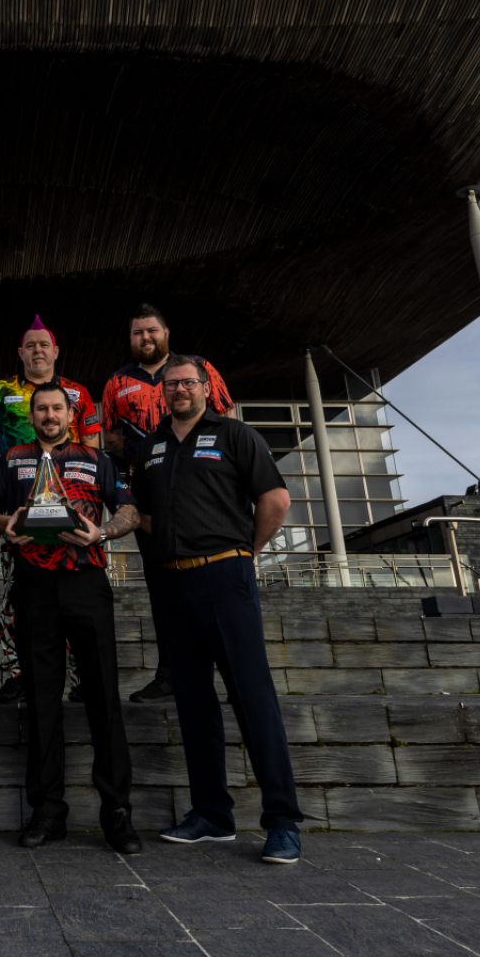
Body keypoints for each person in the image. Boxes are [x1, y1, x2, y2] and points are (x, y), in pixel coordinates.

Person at [127, 354, 304, 866]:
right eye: (171, 384)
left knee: (252, 698)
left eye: (188, 382)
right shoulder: (149, 448)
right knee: (193, 703)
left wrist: (246, 550)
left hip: (226, 576)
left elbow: (276, 499)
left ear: (206, 387)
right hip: (171, 584)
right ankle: (212, 814)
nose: (179, 390)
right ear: (161, 392)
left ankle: (282, 822)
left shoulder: (235, 435)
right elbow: (141, 513)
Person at [0, 383, 142, 854]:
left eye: (57, 408)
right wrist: (5, 525)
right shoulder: (11, 461)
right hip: (33, 586)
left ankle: (117, 812)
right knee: (41, 700)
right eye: (41, 409)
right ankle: (48, 812)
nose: (49, 415)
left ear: (71, 413)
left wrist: (103, 531)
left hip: (86, 582)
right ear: (31, 415)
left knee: (102, 696)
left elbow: (128, 509)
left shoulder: (96, 459)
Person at [98, 304, 235, 703]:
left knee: (213, 586)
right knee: (164, 589)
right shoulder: (116, 382)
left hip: (203, 493)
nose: (146, 338)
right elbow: (110, 438)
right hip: (151, 496)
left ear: (166, 332)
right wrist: (148, 450)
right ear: (131, 339)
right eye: (138, 333)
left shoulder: (199, 368)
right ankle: (170, 674)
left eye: (152, 331)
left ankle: (229, 675)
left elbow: (226, 420)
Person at [0, 316, 100, 705]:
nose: (37, 351)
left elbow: (93, 445)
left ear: (55, 351)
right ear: (21, 352)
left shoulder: (79, 392)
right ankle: (18, 674)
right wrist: (15, 475)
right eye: (30, 345)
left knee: (78, 599)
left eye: (43, 345)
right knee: (15, 596)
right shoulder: (1, 390)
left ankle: (81, 678)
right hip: (20, 513)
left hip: (74, 512)